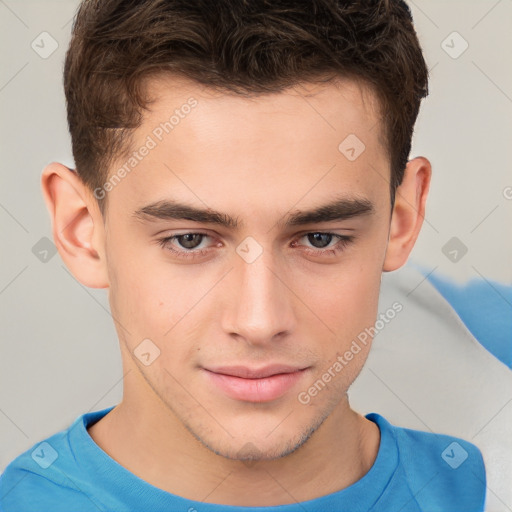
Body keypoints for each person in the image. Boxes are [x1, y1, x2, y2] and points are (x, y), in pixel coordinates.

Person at [0, 0, 487, 510]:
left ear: (401, 219)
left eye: (320, 239)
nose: (259, 322)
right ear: (80, 229)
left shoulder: (490, 488)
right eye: (190, 239)